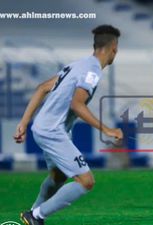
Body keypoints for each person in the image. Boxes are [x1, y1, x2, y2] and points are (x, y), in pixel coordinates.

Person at [14, 25, 123, 225]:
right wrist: (107, 129)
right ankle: (35, 216)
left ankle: (33, 213)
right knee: (86, 181)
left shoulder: (76, 65)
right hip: (52, 131)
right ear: (113, 48)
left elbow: (42, 88)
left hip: (43, 127)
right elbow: (77, 104)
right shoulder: (92, 70)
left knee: (58, 177)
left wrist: (23, 122)